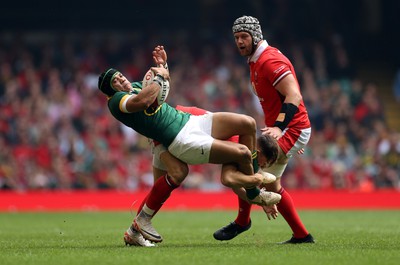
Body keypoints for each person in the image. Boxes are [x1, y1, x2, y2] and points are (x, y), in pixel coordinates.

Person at [97, 52, 281, 243]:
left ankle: (136, 230)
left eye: (120, 75)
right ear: (111, 90)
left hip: (189, 120)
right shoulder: (117, 101)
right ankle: (254, 193)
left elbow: (160, 91)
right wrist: (160, 76)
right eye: (115, 81)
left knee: (248, 122)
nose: (121, 79)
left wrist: (163, 66)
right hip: (180, 136)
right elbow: (145, 100)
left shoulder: (135, 87)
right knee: (237, 154)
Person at [213, 15, 315, 244]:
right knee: (271, 183)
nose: (239, 41)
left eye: (244, 37)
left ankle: (243, 221)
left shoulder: (269, 61)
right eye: (236, 37)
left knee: (245, 161)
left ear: (255, 36)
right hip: (289, 130)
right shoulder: (255, 60)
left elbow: (294, 95)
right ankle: (301, 235)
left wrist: (281, 129)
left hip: (291, 128)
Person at [124, 104, 280, 247]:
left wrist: (258, 197)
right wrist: (258, 193)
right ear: (258, 152)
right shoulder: (238, 145)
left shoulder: (240, 138)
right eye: (263, 164)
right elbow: (229, 180)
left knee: (160, 189)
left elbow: (235, 183)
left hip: (171, 124)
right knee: (173, 178)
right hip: (175, 128)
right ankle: (136, 228)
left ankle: (134, 231)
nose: (260, 167)